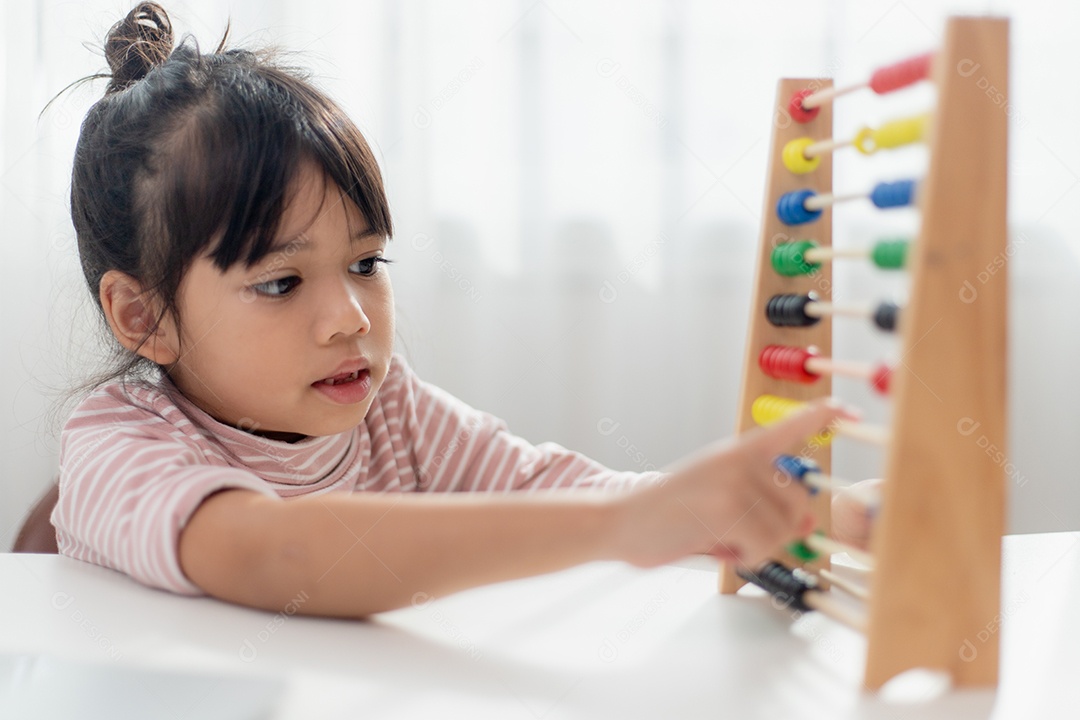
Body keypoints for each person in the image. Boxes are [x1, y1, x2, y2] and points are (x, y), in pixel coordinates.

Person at [51, 3, 861, 618]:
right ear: (143, 316)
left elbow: (554, 491)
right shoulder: (117, 446)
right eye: (280, 282)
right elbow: (277, 556)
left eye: (365, 264)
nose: (351, 318)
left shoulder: (391, 410)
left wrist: (806, 512)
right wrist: (623, 523)